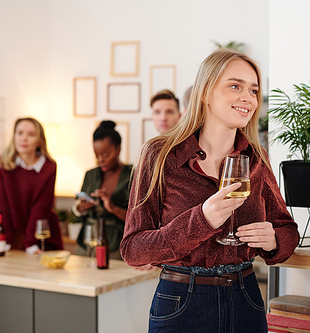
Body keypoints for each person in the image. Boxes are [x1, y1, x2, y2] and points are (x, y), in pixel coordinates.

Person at [121, 48, 299, 333]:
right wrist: (201, 220)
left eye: (253, 90)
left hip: (246, 299)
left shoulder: (257, 158)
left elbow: (288, 230)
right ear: (204, 92)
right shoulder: (160, 155)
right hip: (181, 302)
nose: (248, 98)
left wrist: (274, 240)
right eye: (235, 86)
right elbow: (133, 249)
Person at [0, 117, 63, 253]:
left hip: (40, 236)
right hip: (10, 236)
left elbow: (41, 207)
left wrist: (30, 243)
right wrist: (7, 239)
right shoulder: (3, 165)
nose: (24, 139)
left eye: (31, 135)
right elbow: (3, 206)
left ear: (39, 140)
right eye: (20, 133)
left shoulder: (48, 167)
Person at [73, 120, 132, 260]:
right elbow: (76, 212)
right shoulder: (90, 174)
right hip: (86, 243)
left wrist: (112, 208)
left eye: (105, 155)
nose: (100, 160)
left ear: (118, 148)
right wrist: (81, 208)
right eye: (96, 154)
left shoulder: (133, 175)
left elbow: (138, 219)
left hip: (116, 245)